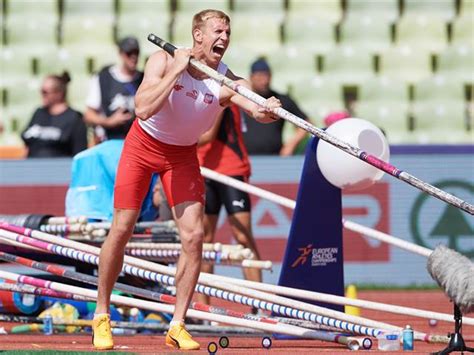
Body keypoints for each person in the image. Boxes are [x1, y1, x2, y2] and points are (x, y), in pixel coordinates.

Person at [92, 9, 281, 351]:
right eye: (217, 31)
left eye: (228, 32)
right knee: (122, 228)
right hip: (142, 146)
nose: (224, 38)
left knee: (194, 237)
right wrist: (178, 69)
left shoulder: (224, 77)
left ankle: (177, 324)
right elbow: (143, 108)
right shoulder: (162, 60)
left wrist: (266, 108)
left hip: (181, 156)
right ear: (198, 35)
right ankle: (102, 313)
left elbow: (253, 107)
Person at [196, 105, 262, 309]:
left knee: (243, 237)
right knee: (204, 239)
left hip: (231, 169)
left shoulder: (218, 92)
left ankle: (258, 303)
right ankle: (203, 308)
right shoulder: (190, 91)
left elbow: (207, 135)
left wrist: (169, 141)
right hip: (202, 169)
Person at [242, 57, 309, 156]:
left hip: (275, 159)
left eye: (267, 76)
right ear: (251, 77)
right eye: (260, 76)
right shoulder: (242, 99)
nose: (264, 81)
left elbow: (305, 124)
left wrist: (290, 145)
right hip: (246, 158)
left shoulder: (280, 100)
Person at [84, 36, 144, 142]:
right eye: (129, 53)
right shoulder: (103, 78)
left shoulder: (144, 79)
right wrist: (109, 122)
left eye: (136, 53)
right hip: (109, 139)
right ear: (121, 54)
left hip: (137, 141)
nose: (133, 57)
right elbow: (88, 115)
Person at [21, 72, 87, 158]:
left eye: (45, 92)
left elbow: (79, 153)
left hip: (59, 168)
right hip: (32, 166)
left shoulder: (75, 118)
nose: (41, 95)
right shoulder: (39, 113)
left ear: (59, 93)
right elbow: (27, 143)